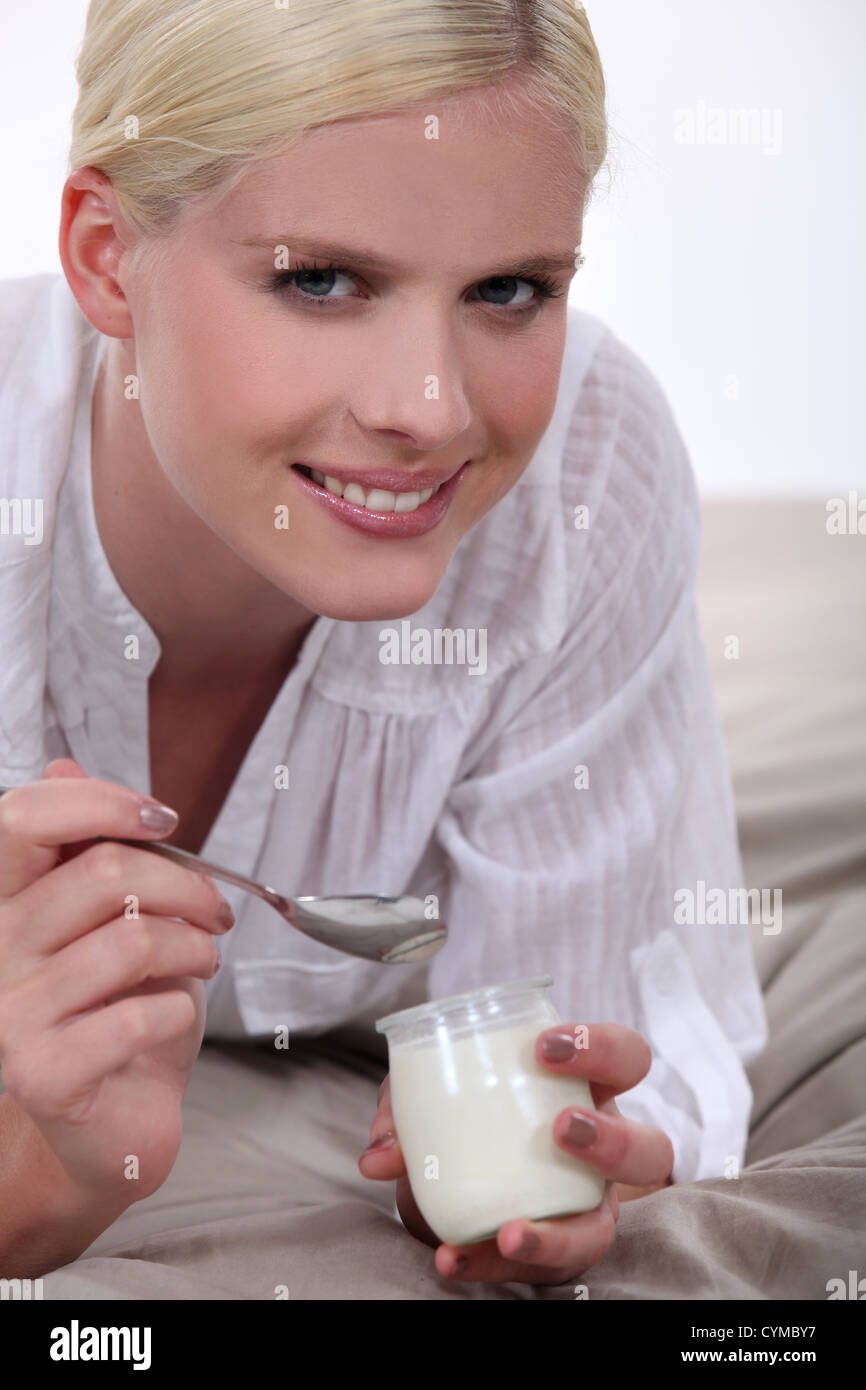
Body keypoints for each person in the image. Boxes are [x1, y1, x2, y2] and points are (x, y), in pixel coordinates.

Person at [0, 0, 767, 1292]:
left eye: (509, 290)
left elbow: (578, 1078)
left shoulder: (586, 473)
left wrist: (514, 1173)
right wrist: (41, 1182)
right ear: (103, 252)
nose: (428, 407)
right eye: (320, 279)